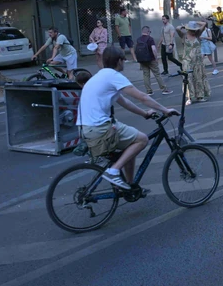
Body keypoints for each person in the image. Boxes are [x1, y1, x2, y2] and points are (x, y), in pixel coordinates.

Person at [77, 45, 178, 189]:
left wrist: (144, 114)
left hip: (87, 128)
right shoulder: (113, 76)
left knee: (130, 145)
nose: (124, 63)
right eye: (123, 60)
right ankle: (113, 171)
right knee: (142, 139)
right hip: (99, 128)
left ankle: (129, 186)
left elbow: (124, 101)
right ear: (118, 61)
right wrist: (165, 110)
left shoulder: (100, 76)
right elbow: (142, 97)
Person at [176, 21, 211, 105]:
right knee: (188, 80)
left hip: (198, 62)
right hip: (187, 62)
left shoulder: (197, 35)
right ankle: (189, 97)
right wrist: (184, 26)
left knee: (199, 79)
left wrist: (195, 22)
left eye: (194, 29)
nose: (193, 31)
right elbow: (177, 28)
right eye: (191, 30)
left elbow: (204, 24)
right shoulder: (184, 35)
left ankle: (200, 96)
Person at [135, 26, 171, 96]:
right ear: (148, 32)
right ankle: (164, 89)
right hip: (151, 59)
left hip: (142, 60)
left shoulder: (138, 39)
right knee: (157, 74)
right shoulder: (150, 39)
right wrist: (156, 58)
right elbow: (153, 49)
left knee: (146, 75)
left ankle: (149, 91)